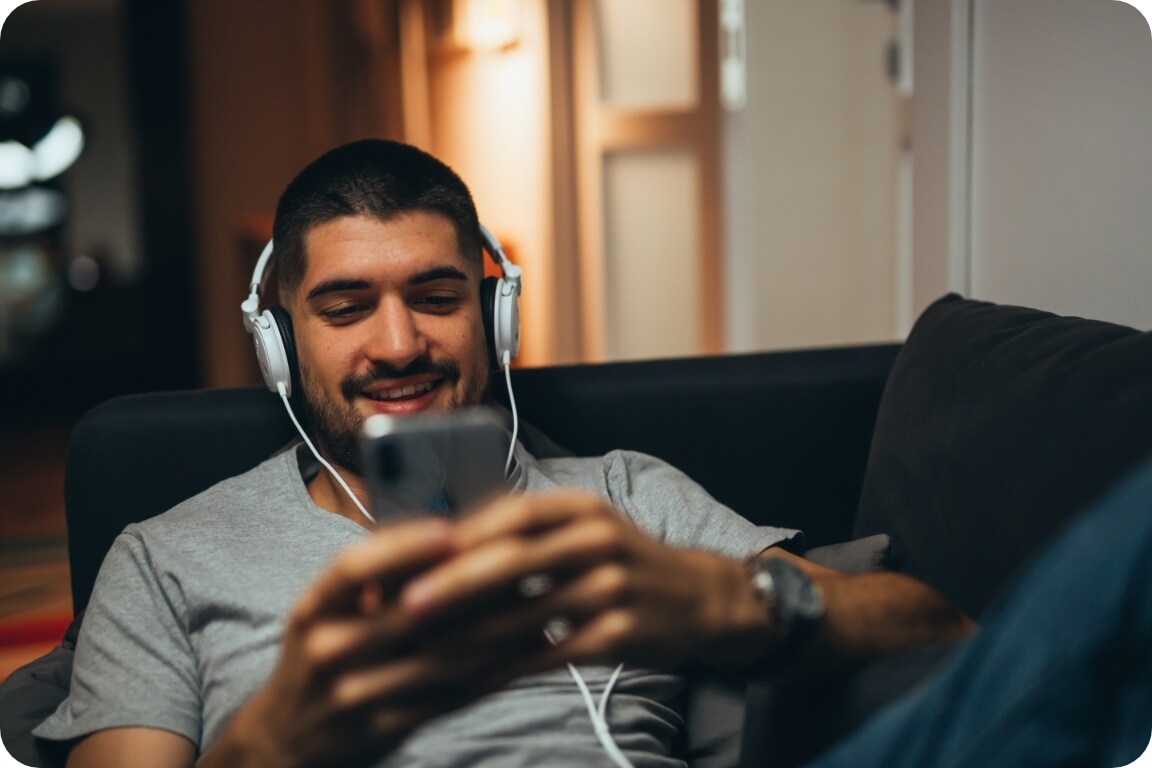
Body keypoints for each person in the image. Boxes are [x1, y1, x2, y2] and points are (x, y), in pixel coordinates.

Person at [31, 139, 971, 767]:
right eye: (346, 307)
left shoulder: (627, 497)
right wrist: (278, 736)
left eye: (437, 296)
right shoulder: (164, 559)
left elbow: (943, 631)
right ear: (277, 341)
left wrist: (736, 598)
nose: (398, 344)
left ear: (496, 318)